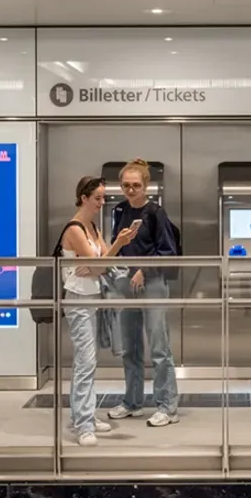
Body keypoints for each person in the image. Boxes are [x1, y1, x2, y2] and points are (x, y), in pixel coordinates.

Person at [107, 159, 182, 427]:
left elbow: (167, 252)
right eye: (126, 185)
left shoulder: (155, 214)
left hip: (153, 283)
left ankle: (167, 405)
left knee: (159, 347)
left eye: (135, 185)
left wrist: (143, 270)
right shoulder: (119, 211)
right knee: (131, 346)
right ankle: (132, 401)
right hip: (125, 283)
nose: (130, 190)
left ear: (146, 186)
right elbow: (117, 244)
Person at [58, 176, 130, 447]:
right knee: (85, 361)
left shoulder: (92, 228)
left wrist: (99, 261)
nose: (102, 202)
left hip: (92, 297)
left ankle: (83, 414)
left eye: (103, 197)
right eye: (98, 197)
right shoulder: (76, 229)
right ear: (84, 197)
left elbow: (101, 264)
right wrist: (115, 247)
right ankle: (83, 423)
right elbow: (101, 265)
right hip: (78, 299)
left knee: (87, 361)